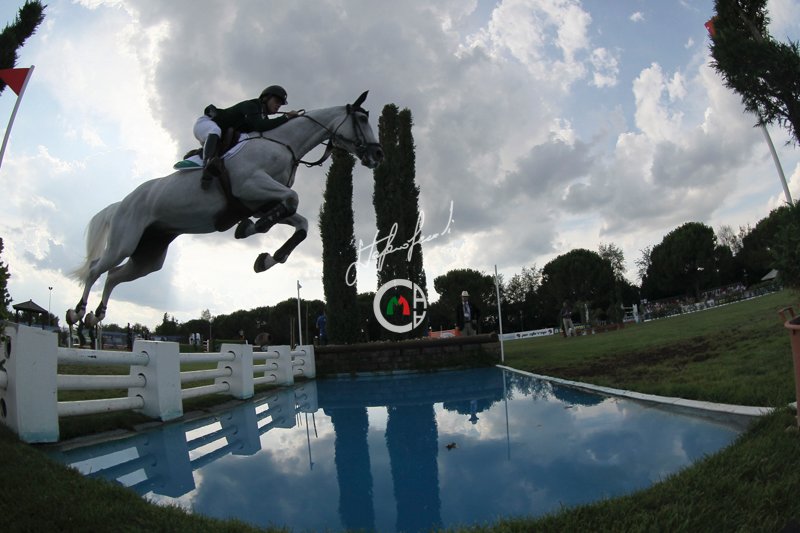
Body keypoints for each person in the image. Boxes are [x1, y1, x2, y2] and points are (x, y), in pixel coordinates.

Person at [193, 85, 301, 190]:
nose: (278, 106)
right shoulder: (251, 105)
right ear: (266, 98)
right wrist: (286, 117)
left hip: (221, 137)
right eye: (277, 101)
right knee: (215, 130)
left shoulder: (263, 117)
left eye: (280, 104)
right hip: (207, 123)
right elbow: (260, 126)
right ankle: (207, 165)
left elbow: (267, 129)